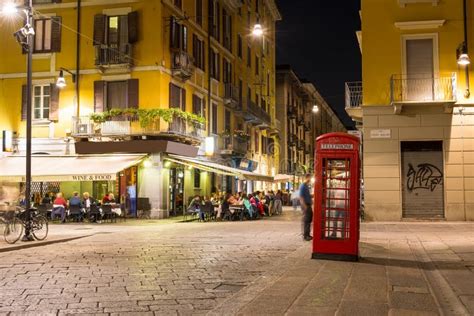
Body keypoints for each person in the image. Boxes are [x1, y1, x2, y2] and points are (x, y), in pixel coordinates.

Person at [299, 174, 313, 241]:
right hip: (306, 205)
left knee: (309, 220)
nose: (310, 179)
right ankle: (305, 236)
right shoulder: (303, 186)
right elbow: (301, 197)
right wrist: (304, 206)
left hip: (308, 205)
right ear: (307, 178)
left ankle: (308, 234)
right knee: (306, 220)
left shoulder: (306, 186)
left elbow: (307, 195)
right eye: (310, 178)